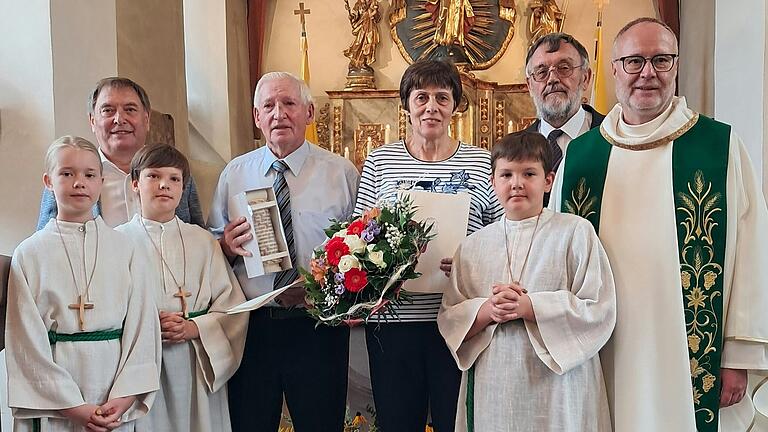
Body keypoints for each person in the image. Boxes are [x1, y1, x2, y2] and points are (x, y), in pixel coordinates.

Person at [550, 17, 768, 431]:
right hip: (606, 346)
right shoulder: (581, 157)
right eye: (633, 61)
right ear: (613, 70)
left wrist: (738, 356)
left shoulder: (718, 147)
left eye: (660, 60)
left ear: (676, 66)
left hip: (690, 354)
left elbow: (754, 254)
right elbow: (558, 258)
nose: (647, 73)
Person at [354, 59, 504, 431]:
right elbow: (359, 233)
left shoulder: (482, 162)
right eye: (421, 97)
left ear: (456, 105)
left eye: (442, 97)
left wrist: (471, 260)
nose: (431, 107)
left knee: (459, 422)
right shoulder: (381, 160)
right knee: (398, 422)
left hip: (460, 320)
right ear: (406, 105)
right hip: (394, 322)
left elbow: (503, 236)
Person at [208, 71, 359, 432]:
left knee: (321, 424)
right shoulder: (234, 174)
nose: (279, 114)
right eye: (269, 106)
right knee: (250, 423)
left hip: (319, 326)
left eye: (289, 103)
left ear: (309, 113)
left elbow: (361, 248)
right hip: (253, 328)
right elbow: (212, 248)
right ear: (256, 116)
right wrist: (226, 246)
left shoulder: (342, 174)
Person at [438, 131, 615, 431]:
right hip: (494, 384)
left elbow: (598, 309)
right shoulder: (472, 247)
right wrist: (488, 310)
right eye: (506, 174)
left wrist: (530, 306)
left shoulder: (574, 233)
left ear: (548, 180)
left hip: (559, 386)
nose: (516, 183)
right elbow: (451, 317)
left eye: (528, 173)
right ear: (493, 182)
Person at [6, 136, 160, 431]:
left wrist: (125, 396)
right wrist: (73, 407)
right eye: (67, 174)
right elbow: (24, 339)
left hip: (114, 387)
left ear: (101, 182)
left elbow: (143, 326)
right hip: (56, 398)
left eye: (89, 175)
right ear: (48, 181)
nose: (80, 183)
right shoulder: (29, 253)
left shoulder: (126, 248)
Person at [116, 144, 248, 432]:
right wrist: (149, 325)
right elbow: (108, 309)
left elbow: (232, 305)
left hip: (196, 361)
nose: (164, 185)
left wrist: (195, 328)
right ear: (136, 183)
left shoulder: (202, 241)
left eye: (174, 178)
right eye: (153, 176)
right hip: (142, 365)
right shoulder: (116, 243)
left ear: (183, 187)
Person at [37, 77, 204, 230]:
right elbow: (47, 240)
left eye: (130, 110)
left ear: (146, 120)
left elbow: (196, 236)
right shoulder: (66, 177)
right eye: (108, 110)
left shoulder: (175, 174)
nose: (119, 119)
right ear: (93, 121)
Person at [524, 33, 604, 177]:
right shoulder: (517, 148)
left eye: (564, 68)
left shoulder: (612, 136)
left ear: (585, 78)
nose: (552, 79)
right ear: (529, 85)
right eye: (542, 72)